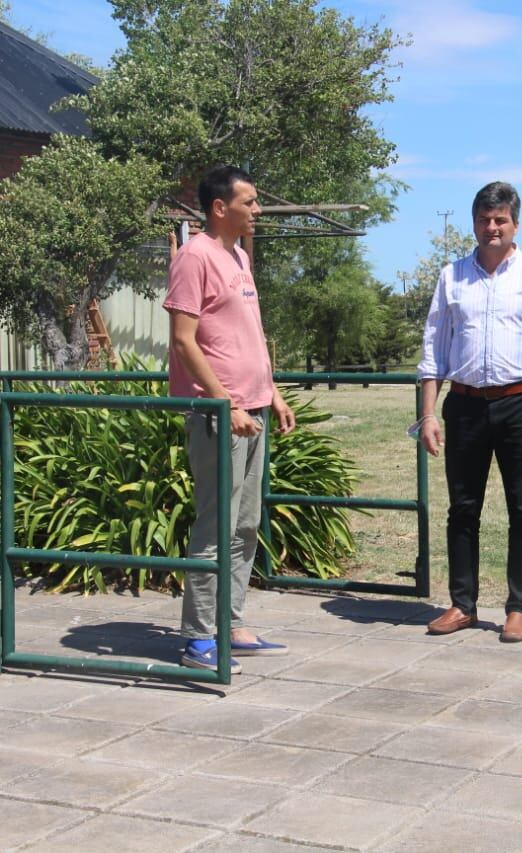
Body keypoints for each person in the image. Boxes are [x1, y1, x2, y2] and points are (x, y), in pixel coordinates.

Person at [416, 181, 522, 643]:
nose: (492, 228)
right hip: (464, 405)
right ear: (474, 224)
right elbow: (433, 350)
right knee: (462, 510)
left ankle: (519, 608)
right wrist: (429, 414)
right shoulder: (452, 277)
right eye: (484, 220)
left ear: (515, 224)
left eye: (500, 219)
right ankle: (462, 604)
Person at [165, 165, 296, 673]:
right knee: (217, 525)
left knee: (245, 524)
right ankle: (198, 639)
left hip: (252, 408)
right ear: (221, 208)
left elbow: (248, 336)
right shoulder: (194, 257)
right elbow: (183, 340)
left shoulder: (239, 254)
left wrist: (272, 393)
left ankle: (232, 623)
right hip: (219, 414)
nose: (257, 210)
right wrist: (228, 403)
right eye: (250, 202)